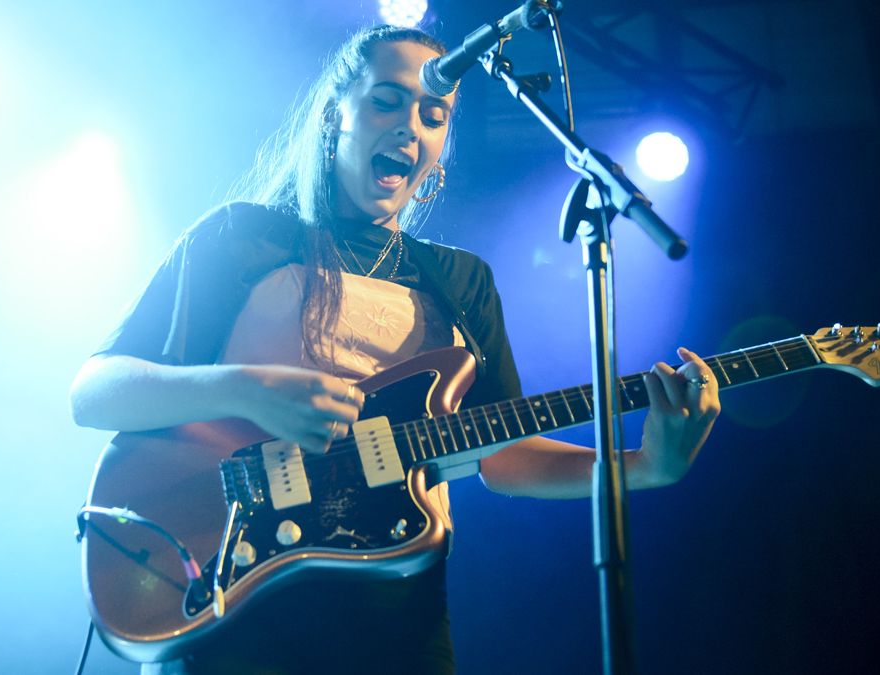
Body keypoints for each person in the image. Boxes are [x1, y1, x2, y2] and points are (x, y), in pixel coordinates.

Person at [69, 24, 720, 675]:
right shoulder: (243, 236)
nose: (411, 126)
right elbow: (94, 391)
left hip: (396, 615)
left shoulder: (461, 281)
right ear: (335, 114)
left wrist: (645, 465)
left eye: (433, 114)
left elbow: (501, 452)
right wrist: (248, 388)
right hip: (234, 593)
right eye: (386, 100)